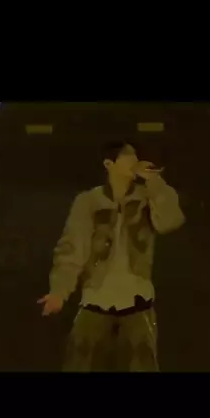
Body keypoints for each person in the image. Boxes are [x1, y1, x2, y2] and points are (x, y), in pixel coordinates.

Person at [37, 141, 186, 371]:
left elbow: (170, 221)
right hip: (96, 299)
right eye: (127, 155)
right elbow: (72, 247)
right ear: (109, 164)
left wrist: (154, 181)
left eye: (135, 155)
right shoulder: (89, 201)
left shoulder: (146, 197)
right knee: (79, 362)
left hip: (138, 301)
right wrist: (59, 291)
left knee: (143, 363)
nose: (134, 160)